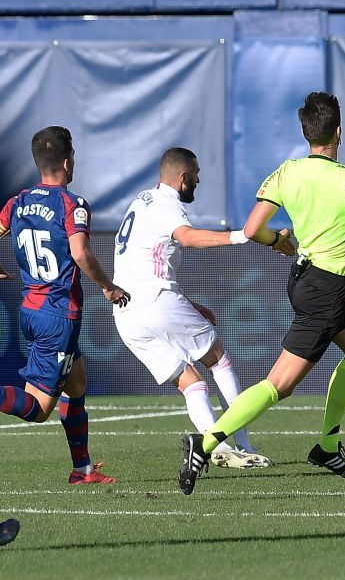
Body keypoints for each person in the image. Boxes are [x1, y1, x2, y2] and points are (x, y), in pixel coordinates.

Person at [178, 91, 345, 494]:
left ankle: (327, 446)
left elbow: (253, 227)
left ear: (307, 133)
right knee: (279, 385)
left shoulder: (288, 171)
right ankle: (203, 445)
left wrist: (277, 239)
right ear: (339, 132)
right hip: (326, 288)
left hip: (304, 278)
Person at [112, 147, 279, 469]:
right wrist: (240, 237)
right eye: (197, 177)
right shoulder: (167, 205)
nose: (199, 182)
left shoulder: (141, 201)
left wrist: (189, 305)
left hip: (126, 313)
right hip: (155, 300)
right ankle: (242, 443)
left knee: (191, 381)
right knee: (218, 359)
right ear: (183, 178)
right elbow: (187, 238)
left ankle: (217, 447)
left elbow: (145, 264)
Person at [0, 126, 129, 484]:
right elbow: (80, 252)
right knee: (39, 409)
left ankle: (82, 469)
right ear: (68, 162)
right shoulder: (73, 205)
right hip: (58, 315)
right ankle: (80, 469)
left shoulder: (18, 202)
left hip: (31, 309)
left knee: (77, 382)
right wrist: (108, 287)